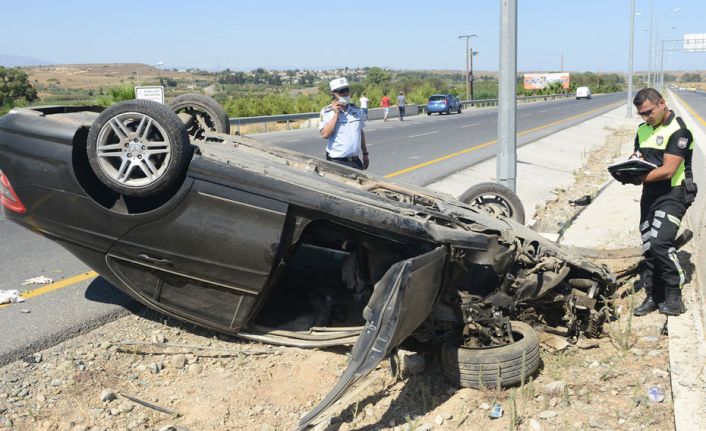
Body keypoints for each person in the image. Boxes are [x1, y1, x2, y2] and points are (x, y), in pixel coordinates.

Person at [630, 88, 697, 317]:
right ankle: (653, 295)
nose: (646, 117)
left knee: (661, 243)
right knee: (649, 245)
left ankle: (674, 296)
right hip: (650, 194)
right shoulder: (642, 129)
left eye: (649, 112)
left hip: (673, 194)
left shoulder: (680, 131)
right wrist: (629, 168)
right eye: (641, 114)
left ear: (661, 103)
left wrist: (638, 178)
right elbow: (638, 157)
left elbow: (668, 170)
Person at [319, 77, 369, 170]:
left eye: (347, 90)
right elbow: (325, 134)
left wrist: (365, 154)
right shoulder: (327, 112)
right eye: (342, 91)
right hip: (336, 162)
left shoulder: (357, 110)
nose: (345, 93)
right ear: (333, 94)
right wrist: (335, 115)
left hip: (355, 161)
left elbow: (360, 132)